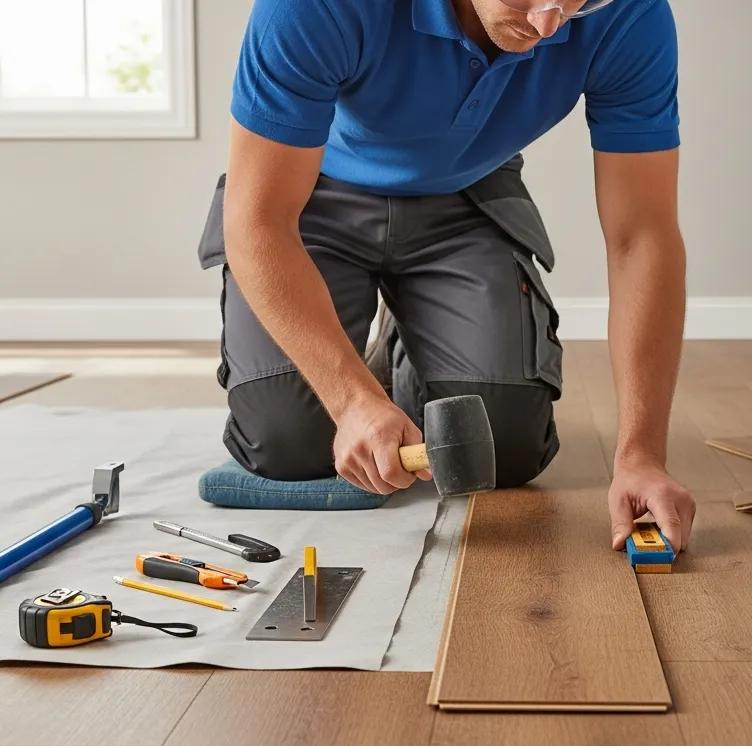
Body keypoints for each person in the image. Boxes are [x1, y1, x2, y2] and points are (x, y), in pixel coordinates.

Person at [198, 0, 696, 554]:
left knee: (498, 449)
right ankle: (370, 375)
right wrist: (352, 401)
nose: (548, 25)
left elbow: (642, 236)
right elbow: (258, 220)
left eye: (573, 2)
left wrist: (640, 456)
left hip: (465, 197)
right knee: (287, 444)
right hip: (307, 196)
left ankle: (404, 347)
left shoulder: (628, 11)